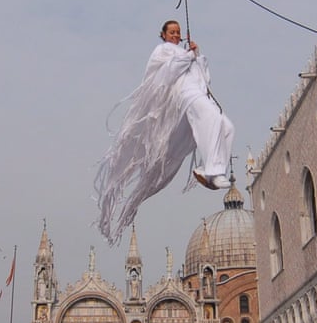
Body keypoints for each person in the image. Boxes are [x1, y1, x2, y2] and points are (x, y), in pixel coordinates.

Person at [95, 20, 236, 243]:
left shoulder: (185, 52)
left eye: (178, 32)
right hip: (183, 96)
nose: (175, 35)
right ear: (162, 34)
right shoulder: (162, 51)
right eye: (171, 32)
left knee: (227, 127)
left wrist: (198, 56)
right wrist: (188, 57)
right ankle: (212, 169)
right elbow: (167, 73)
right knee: (210, 118)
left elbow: (204, 79)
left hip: (198, 93)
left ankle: (209, 170)